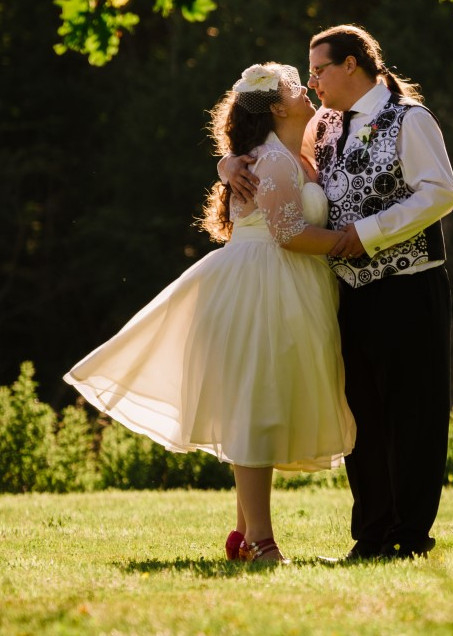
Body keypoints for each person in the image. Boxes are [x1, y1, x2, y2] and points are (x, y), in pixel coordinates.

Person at [64, 62, 356, 563]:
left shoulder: (292, 154)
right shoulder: (278, 162)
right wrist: (354, 243)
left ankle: (244, 535)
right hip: (263, 284)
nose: (306, 90)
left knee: (260, 402)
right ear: (278, 107)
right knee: (257, 408)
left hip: (282, 282)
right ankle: (261, 542)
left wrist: (227, 162)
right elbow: (288, 234)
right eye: (294, 87)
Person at [222, 25, 453, 561]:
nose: (312, 81)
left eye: (319, 69)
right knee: (364, 418)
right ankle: (371, 537)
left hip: (407, 284)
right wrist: (229, 162)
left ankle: (410, 537)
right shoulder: (324, 124)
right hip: (345, 293)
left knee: (412, 416)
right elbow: (273, 156)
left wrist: (367, 235)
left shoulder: (409, 118)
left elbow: (441, 193)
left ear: (352, 64)